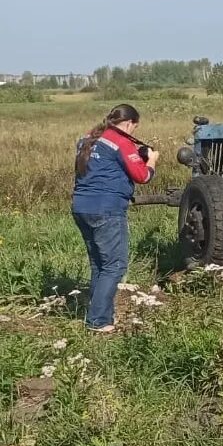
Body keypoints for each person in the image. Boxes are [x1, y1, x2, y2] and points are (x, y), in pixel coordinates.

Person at [72, 104, 158, 332]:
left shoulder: (87, 139)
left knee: (99, 264)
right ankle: (97, 321)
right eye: (134, 128)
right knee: (115, 265)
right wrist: (151, 161)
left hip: (81, 207)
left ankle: (104, 317)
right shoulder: (120, 142)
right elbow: (142, 175)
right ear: (129, 123)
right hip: (106, 209)